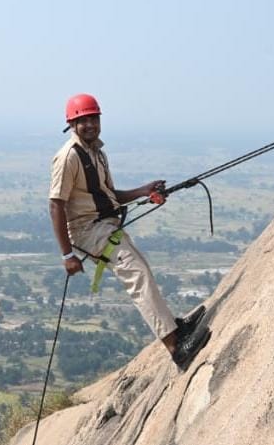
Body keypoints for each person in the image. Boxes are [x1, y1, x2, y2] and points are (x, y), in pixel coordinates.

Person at [49, 93, 209, 371]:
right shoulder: (68, 157)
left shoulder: (97, 153)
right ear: (71, 125)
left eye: (93, 118)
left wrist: (143, 191)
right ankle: (176, 348)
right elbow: (55, 205)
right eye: (82, 120)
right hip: (88, 230)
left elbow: (109, 195)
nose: (89, 124)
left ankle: (174, 328)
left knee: (141, 269)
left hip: (104, 224)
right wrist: (67, 255)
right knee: (136, 275)